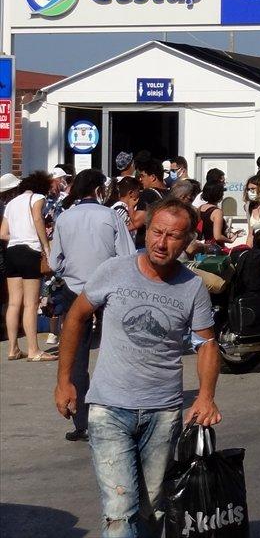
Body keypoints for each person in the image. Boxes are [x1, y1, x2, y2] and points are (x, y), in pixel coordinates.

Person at [54, 198, 220, 537]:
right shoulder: (114, 270)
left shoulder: (192, 287)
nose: (162, 243)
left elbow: (207, 344)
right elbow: (76, 317)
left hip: (163, 412)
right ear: (146, 231)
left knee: (152, 508)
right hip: (109, 409)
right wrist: (65, 380)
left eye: (173, 236)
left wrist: (205, 397)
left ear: (188, 241)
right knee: (119, 510)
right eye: (157, 232)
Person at [48, 169, 136, 441]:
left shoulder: (65, 217)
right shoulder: (110, 216)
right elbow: (128, 254)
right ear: (99, 190)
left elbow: (54, 261)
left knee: (76, 354)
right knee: (117, 349)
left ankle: (82, 422)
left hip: (75, 290)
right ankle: (120, 412)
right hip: (110, 288)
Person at [1, 171, 55, 361]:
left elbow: (2, 233)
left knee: (14, 302)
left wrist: (18, 235)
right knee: (31, 304)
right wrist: (45, 245)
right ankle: (33, 350)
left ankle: (13, 348)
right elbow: (38, 219)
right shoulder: (38, 197)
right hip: (30, 251)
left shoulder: (11, 204)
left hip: (12, 251)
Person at [131, 157, 167, 249]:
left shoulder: (148, 193)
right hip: (163, 243)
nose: (140, 179)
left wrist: (130, 206)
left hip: (146, 246)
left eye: (143, 176)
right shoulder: (170, 193)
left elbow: (137, 222)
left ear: (153, 177)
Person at [196, 181, 237, 247]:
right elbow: (217, 236)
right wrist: (230, 240)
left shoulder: (200, 208)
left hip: (203, 245)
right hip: (215, 247)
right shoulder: (217, 212)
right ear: (219, 195)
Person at [243, 174, 260, 247]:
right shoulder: (249, 206)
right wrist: (247, 251)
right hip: (257, 248)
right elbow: (250, 235)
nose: (250, 192)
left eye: (253, 189)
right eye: (248, 189)